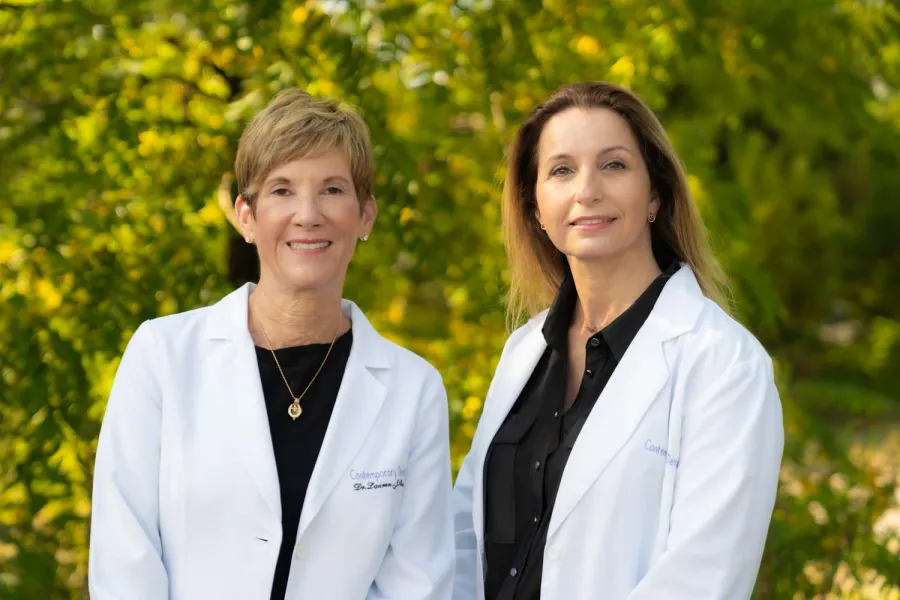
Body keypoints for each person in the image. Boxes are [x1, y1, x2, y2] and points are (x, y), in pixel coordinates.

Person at [89, 88, 455, 600]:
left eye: (332, 189)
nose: (308, 214)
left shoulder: (413, 390)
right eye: (282, 190)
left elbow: (418, 583)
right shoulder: (163, 356)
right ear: (246, 215)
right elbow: (124, 560)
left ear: (366, 215)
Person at [452, 81, 784, 600]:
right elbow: (463, 541)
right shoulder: (523, 352)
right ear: (535, 206)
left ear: (654, 194)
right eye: (562, 170)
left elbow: (704, 578)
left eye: (613, 165)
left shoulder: (724, 364)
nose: (587, 190)